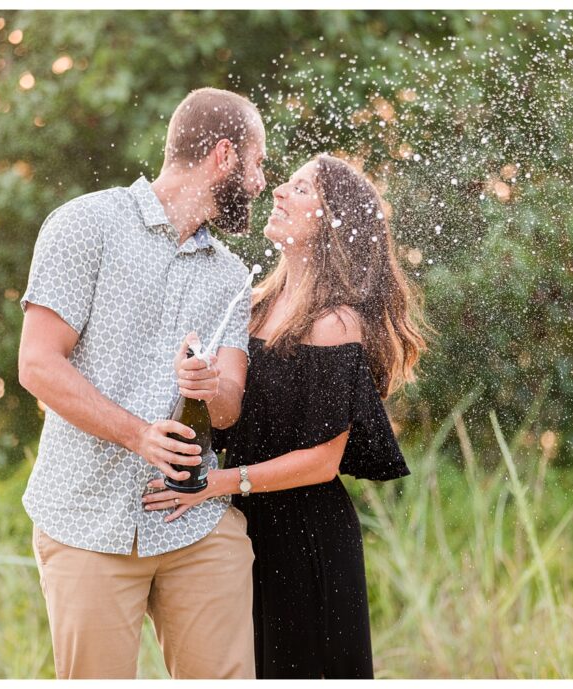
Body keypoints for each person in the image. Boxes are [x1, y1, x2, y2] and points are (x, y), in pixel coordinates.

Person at [143, 154, 428, 678]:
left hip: (307, 536)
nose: (278, 191)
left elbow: (323, 461)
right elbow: (229, 419)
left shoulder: (335, 322)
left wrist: (215, 484)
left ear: (332, 220)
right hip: (245, 528)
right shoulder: (251, 305)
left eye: (300, 188)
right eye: (287, 182)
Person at [17, 87, 267, 679]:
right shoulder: (86, 224)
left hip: (196, 525)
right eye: (257, 164)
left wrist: (208, 385)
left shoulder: (231, 273)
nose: (260, 182)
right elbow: (37, 364)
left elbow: (228, 408)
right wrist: (137, 435)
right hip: (86, 520)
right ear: (224, 156)